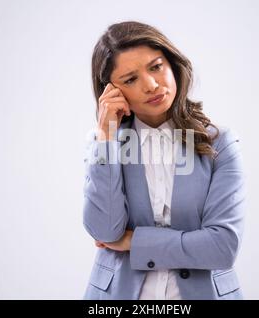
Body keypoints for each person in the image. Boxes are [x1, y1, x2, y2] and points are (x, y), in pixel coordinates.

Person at [82, 21, 247, 300]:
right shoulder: (104, 145)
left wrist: (134, 241)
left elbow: (223, 246)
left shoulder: (219, 142)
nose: (151, 85)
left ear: (172, 65)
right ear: (111, 92)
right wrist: (106, 136)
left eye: (156, 66)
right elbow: (104, 230)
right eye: (131, 79)